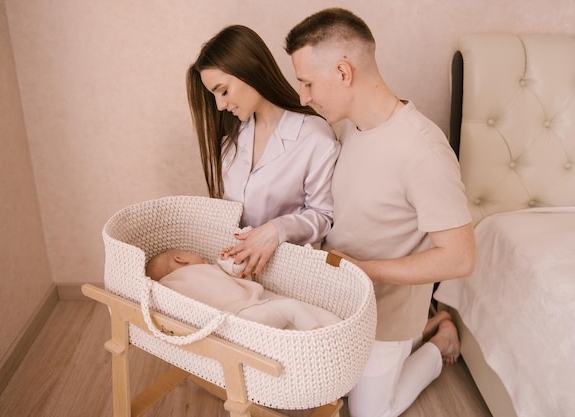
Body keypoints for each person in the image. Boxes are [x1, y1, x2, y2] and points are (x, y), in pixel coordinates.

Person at [285, 8, 476, 417]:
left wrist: (368, 270)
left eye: (306, 83)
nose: (303, 97)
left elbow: (461, 258)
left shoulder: (423, 150)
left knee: (370, 413)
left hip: (387, 309)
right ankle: (429, 328)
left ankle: (439, 340)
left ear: (342, 72)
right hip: (345, 293)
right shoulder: (351, 125)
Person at [186, 25, 340, 279]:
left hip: (283, 274)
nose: (220, 105)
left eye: (223, 91)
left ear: (251, 71)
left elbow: (324, 217)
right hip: (231, 268)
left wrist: (276, 230)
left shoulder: (314, 137)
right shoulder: (233, 137)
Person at [145, 248, 341, 330]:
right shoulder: (197, 272)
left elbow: (237, 271)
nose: (202, 257)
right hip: (247, 312)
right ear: (181, 259)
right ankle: (317, 336)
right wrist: (226, 262)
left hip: (231, 325)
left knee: (281, 316)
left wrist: (229, 260)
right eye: (195, 254)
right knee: (291, 306)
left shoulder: (165, 289)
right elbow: (238, 272)